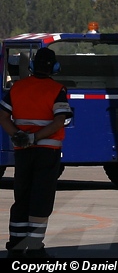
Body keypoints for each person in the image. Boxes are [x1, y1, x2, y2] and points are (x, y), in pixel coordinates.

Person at [0, 47, 72, 257]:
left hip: (23, 152)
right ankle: (34, 247)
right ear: (55, 68)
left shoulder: (17, 88)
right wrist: (35, 137)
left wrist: (18, 135)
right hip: (47, 152)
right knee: (41, 198)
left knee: (22, 196)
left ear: (31, 66)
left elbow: (3, 116)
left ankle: (16, 245)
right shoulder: (57, 89)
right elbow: (60, 120)